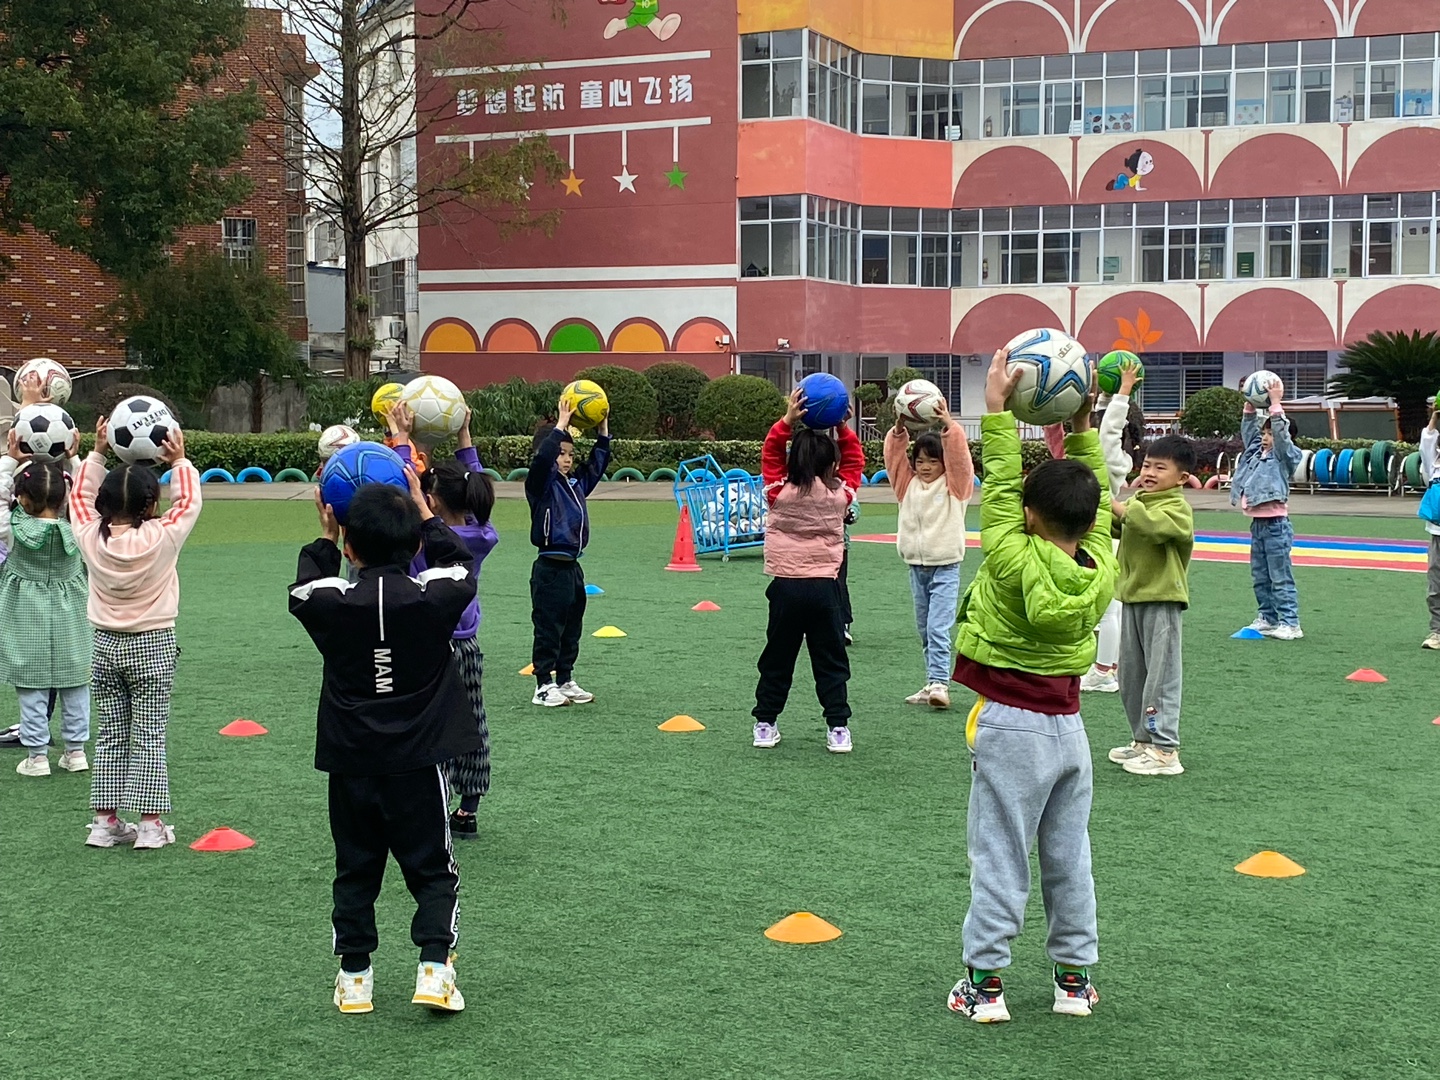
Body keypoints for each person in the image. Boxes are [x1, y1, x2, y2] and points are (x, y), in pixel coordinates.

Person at [946, 347, 1116, 1024]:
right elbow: (1088, 494)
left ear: (1028, 516)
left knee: (998, 857)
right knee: (1070, 859)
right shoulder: (1100, 559)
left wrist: (996, 411)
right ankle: (1074, 982)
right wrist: (1083, 426)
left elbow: (998, 485)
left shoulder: (1011, 554)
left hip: (1010, 727)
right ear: (1090, 521)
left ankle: (985, 987)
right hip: (1070, 731)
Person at [289, 473, 481, 1016]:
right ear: (416, 544)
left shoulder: (330, 602)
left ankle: (355, 978)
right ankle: (435, 970)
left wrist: (326, 537)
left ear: (350, 547)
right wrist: (426, 512)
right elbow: (461, 565)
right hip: (417, 765)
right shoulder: (433, 596)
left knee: (355, 867)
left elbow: (305, 586)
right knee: (433, 869)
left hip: (352, 764)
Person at [69, 420, 200, 850]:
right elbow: (189, 502)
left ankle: (104, 822)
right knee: (149, 734)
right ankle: (149, 825)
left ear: (104, 503)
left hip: (105, 645)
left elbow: (78, 499)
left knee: (111, 733)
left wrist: (96, 452)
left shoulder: (89, 536)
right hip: (152, 644)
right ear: (151, 505)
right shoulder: (163, 536)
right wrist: (179, 461)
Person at [389, 403, 498, 840]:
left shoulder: (424, 538)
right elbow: (476, 481)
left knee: (421, 725)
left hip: (426, 648)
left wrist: (402, 438)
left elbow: (402, 490)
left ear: (429, 501)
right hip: (466, 646)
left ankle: (424, 802)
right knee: (471, 722)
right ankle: (468, 809)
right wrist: (463, 435)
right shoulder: (482, 532)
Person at [751, 389, 864, 753]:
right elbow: (855, 462)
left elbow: (770, 453)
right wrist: (843, 428)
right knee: (830, 660)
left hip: (786, 588)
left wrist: (786, 421)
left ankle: (765, 724)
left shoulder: (777, 492)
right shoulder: (840, 496)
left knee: (777, 658)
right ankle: (838, 728)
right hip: (825, 589)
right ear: (831, 465)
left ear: (793, 463)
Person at [0, 442, 91, 777]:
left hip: (26, 618)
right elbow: (90, 496)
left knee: (32, 686)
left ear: (22, 499)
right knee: (75, 683)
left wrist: (9, 460)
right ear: (66, 497)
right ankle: (76, 751)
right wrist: (76, 459)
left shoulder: (12, 530)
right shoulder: (79, 529)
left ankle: (37, 756)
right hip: (73, 618)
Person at [1108, 435, 1195, 776]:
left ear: (1182, 478)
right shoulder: (1139, 502)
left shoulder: (1176, 509)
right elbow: (1118, 523)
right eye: (1146, 465)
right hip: (1133, 597)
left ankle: (1165, 748)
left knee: (1161, 677)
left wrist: (1120, 507)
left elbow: (1152, 527)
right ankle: (1143, 739)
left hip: (1162, 600)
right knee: (1131, 676)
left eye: (1160, 468)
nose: (1149, 473)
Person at [883, 399, 974, 709]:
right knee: (924, 629)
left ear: (944, 463)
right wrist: (898, 430)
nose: (924, 467)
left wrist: (949, 426)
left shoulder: (955, 486)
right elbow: (894, 460)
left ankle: (940, 684)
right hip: (916, 567)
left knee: (938, 627)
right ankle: (932, 681)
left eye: (933, 461)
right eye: (920, 461)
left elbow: (961, 459)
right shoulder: (906, 485)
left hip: (945, 567)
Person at [525, 400, 611, 708]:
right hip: (548, 569)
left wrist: (603, 432)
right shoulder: (540, 485)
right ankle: (543, 685)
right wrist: (560, 425)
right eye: (561, 453)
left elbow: (597, 466)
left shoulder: (575, 485)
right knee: (548, 628)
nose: (567, 460)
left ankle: (564, 678)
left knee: (571, 629)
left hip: (572, 569)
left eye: (571, 455)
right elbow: (541, 461)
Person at [1082, 361, 1143, 693]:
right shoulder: (1117, 457)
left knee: (1108, 609)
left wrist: (1122, 392)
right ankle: (1108, 667)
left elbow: (1109, 429)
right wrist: (1103, 394)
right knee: (1108, 608)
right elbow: (1105, 425)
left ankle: (1104, 671)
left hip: (1102, 533)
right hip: (1101, 531)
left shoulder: (1111, 457)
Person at [1231, 379, 1303, 639]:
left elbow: (1282, 436)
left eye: (1269, 434)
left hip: (1276, 526)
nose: (1265, 438)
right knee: (1260, 575)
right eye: (1264, 433)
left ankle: (1290, 623)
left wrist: (1275, 403)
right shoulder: (1255, 452)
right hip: (1258, 525)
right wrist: (1250, 406)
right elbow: (1248, 431)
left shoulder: (1285, 455)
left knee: (1280, 576)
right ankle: (1268, 617)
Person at [1421, 409, 1440, 650]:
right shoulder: (1434, 464)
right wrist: (1434, 419)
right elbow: (1426, 444)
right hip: (1437, 532)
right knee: (1435, 584)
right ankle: (1437, 631)